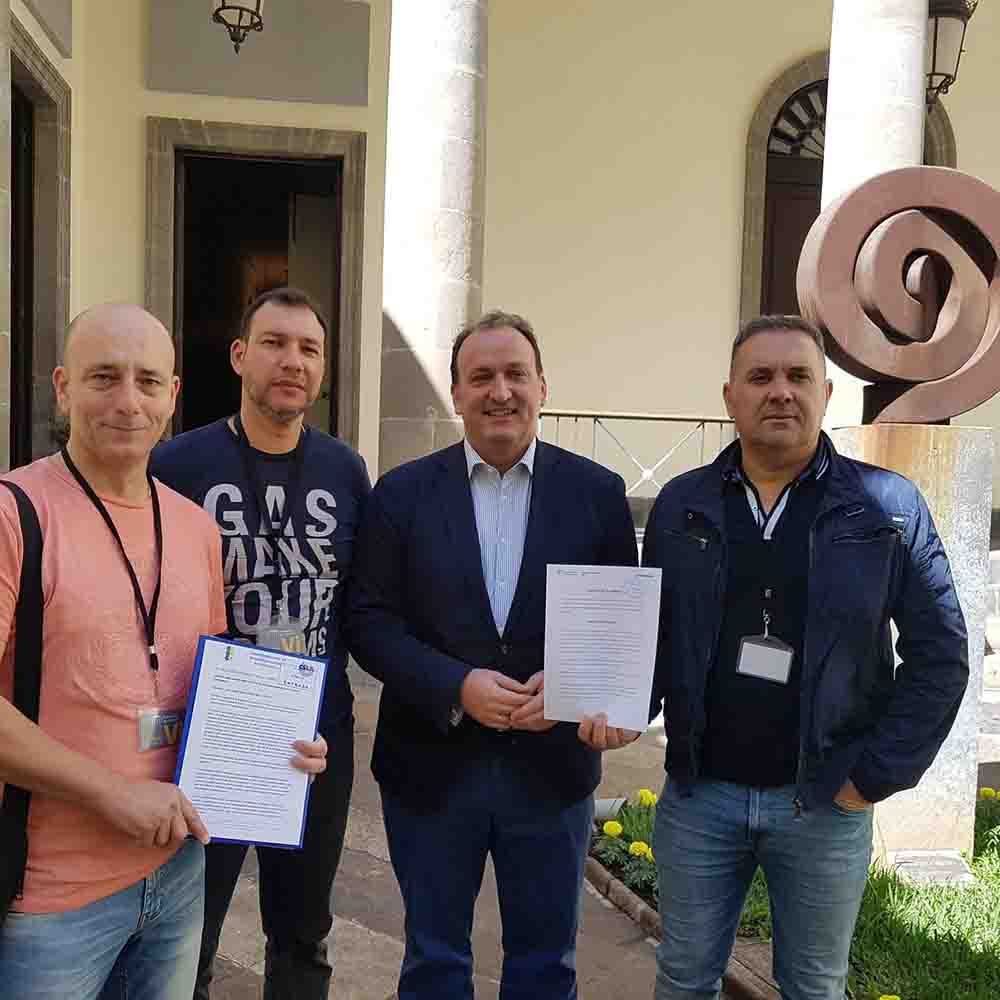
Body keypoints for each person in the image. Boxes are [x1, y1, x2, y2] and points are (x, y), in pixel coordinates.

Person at [643, 314, 969, 1000]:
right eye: (760, 377)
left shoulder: (886, 508)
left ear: (825, 393)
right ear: (730, 396)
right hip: (701, 799)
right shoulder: (682, 505)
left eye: (798, 376)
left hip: (823, 803)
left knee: (814, 987)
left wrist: (872, 777)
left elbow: (941, 653)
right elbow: (652, 636)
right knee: (683, 978)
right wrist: (612, 707)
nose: (780, 392)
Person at [345, 309, 639, 1000]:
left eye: (515, 374)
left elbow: (619, 623)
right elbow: (369, 620)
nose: (499, 391)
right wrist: (456, 685)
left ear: (543, 387)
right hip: (430, 768)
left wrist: (576, 689)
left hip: (551, 770)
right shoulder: (402, 494)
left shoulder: (599, 494)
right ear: (456, 393)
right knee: (434, 962)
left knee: (546, 966)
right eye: (481, 377)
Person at [0, 303, 225, 998]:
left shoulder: (196, 528)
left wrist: (277, 748)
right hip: (50, 897)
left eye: (148, 381)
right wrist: (114, 795)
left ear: (172, 396)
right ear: (63, 388)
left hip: (178, 873)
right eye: (104, 377)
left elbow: (212, 689)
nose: (129, 401)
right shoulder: (14, 513)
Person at [151, 286, 369, 1000]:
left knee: (303, 935)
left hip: (315, 742)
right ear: (240, 356)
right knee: (188, 935)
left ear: (324, 369)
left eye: (309, 349)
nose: (292, 361)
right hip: (209, 740)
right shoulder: (178, 464)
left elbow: (360, 601)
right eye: (274, 343)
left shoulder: (345, 470)